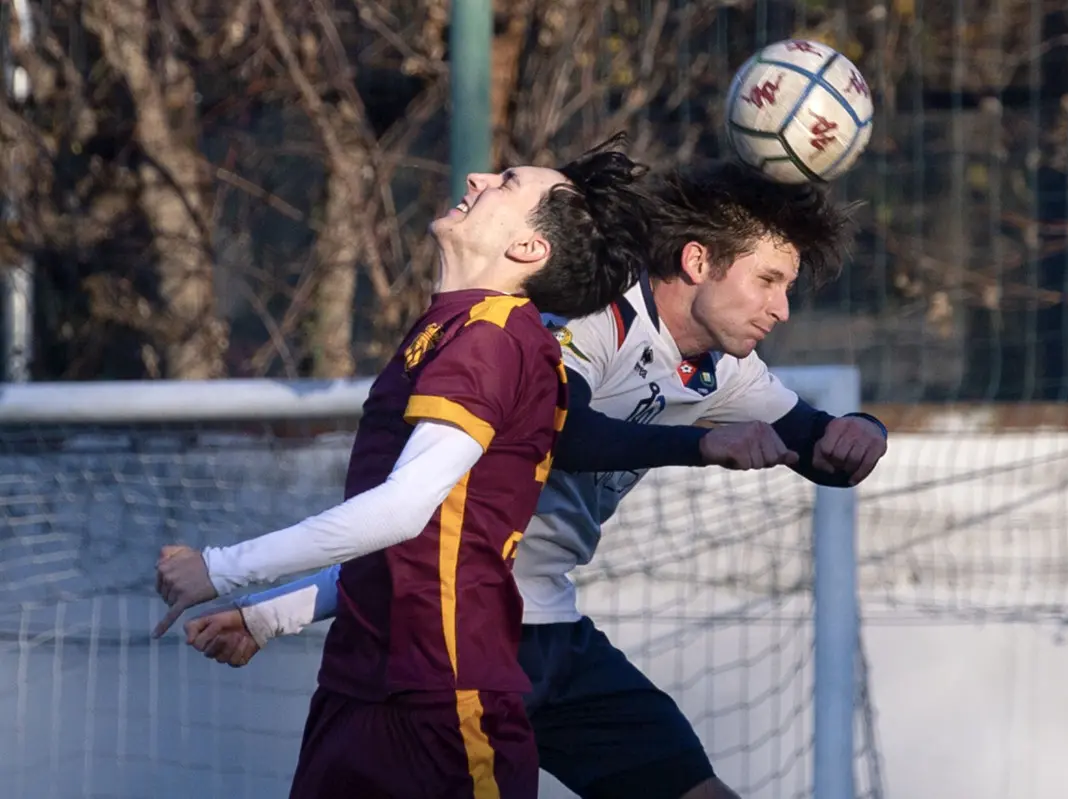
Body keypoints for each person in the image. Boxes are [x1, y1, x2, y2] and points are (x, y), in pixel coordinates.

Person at [181, 161, 889, 799]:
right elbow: (558, 439)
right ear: (699, 260)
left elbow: (816, 444)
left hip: (544, 631)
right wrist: (704, 445)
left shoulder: (728, 373)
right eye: (768, 280)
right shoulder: (578, 323)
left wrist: (862, 433)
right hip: (464, 648)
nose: (781, 309)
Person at [151, 135, 657, 799]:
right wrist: (266, 614)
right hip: (361, 690)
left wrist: (220, 567)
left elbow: (399, 509)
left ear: (530, 250)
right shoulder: (455, 330)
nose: (477, 177)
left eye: (505, 182)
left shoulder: (495, 338)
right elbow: (414, 548)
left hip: (442, 707)